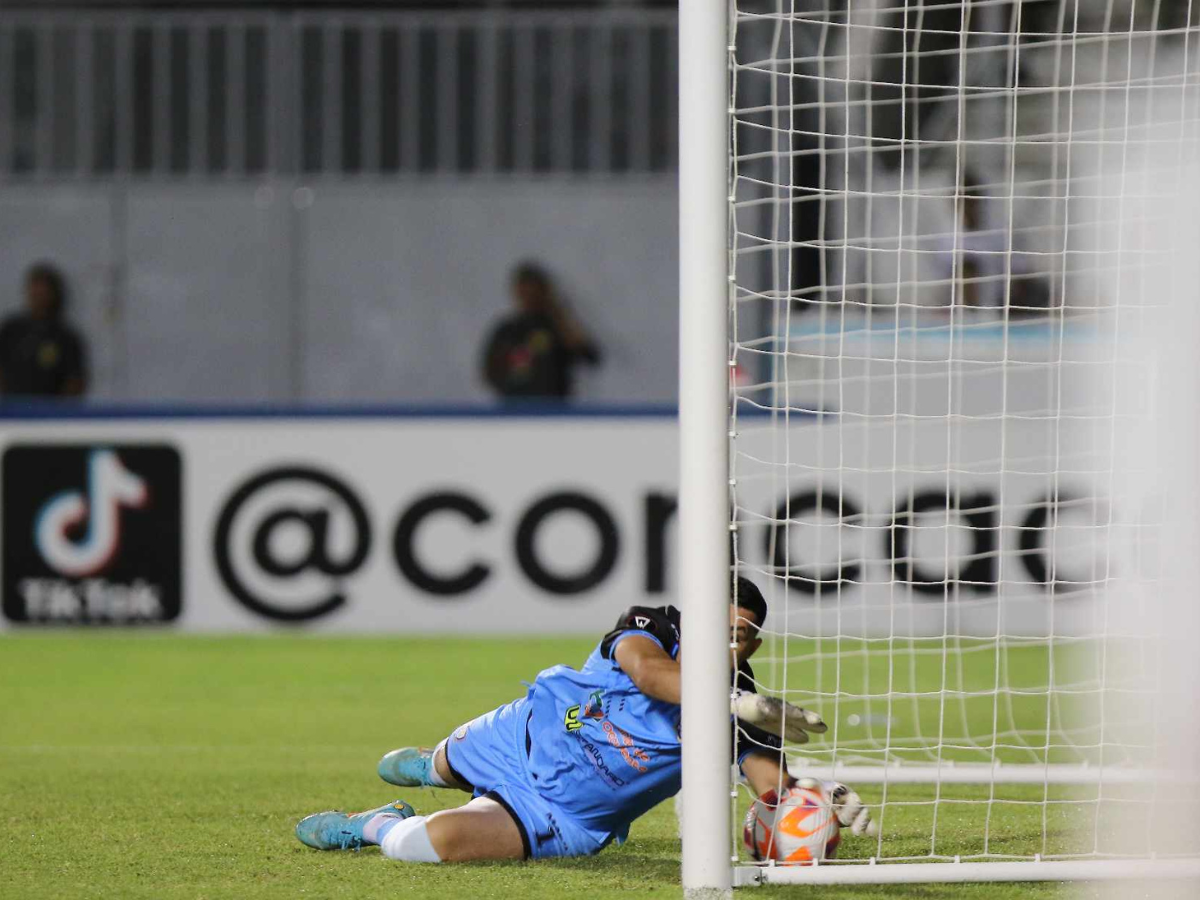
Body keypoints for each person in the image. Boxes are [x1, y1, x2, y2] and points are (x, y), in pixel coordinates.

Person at [294, 578, 873, 863]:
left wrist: (815, 796)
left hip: (559, 813)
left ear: (754, 647)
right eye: (717, 625)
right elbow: (648, 676)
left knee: (425, 845)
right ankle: (431, 768)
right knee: (428, 766)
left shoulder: (749, 711)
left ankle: (371, 826)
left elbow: (770, 788)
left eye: (740, 636)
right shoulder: (650, 626)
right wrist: (724, 700)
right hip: (522, 736)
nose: (726, 643)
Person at [481, 262, 601, 400]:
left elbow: (589, 356)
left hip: (553, 410)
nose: (528, 296)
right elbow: (490, 373)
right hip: (514, 410)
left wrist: (560, 316)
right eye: (523, 291)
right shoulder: (507, 330)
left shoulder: (557, 327)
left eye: (533, 290)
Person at [0, 264, 87, 398]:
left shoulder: (66, 337)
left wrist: (57, 412)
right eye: (34, 291)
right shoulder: (11, 330)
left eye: (43, 292)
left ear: (53, 294)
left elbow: (75, 381)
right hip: (12, 411)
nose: (38, 296)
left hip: (50, 413)